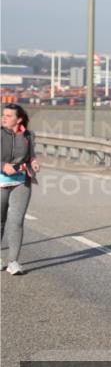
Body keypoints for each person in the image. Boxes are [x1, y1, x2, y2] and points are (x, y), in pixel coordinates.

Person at [1, 103, 41, 275]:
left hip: (21, 181)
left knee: (16, 222)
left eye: (9, 115)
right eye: (3, 115)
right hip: (1, 181)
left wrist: (34, 162)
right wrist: (3, 166)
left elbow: (31, 154)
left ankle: (13, 262)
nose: (4, 118)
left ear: (19, 119)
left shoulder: (28, 135)